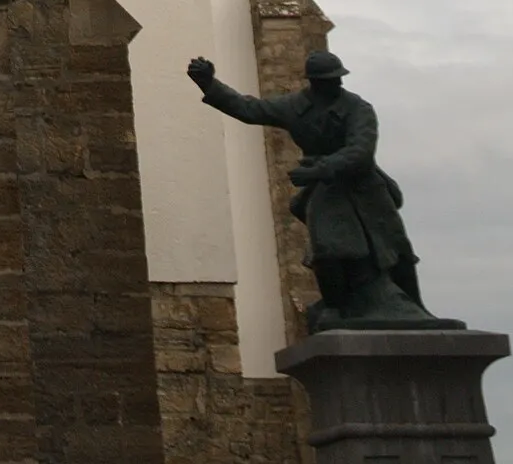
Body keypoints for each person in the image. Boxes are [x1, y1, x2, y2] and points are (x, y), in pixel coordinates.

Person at [186, 45, 453, 330]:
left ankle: (414, 307)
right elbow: (251, 109)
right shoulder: (295, 107)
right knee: (326, 247)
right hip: (326, 189)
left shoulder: (358, 108)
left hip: (364, 186)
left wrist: (317, 170)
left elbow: (360, 152)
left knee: (394, 247)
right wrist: (210, 84)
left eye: (338, 78)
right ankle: (336, 308)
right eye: (329, 79)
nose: (336, 83)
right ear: (314, 82)